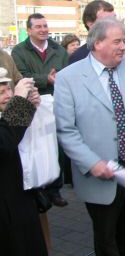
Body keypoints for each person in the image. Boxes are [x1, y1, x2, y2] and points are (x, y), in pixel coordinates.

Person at [54, 18, 125, 256]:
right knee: (109, 238)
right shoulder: (68, 78)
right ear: (97, 44)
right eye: (117, 41)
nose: (123, 46)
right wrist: (92, 163)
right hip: (101, 170)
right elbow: (66, 130)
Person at [11, 12, 69, 207]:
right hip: (33, 103)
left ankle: (55, 189)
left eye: (45, 26)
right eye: (38, 27)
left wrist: (58, 78)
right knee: (37, 145)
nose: (44, 30)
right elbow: (22, 76)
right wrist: (47, 79)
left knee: (57, 145)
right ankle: (37, 187)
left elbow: (66, 72)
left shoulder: (59, 49)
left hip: (57, 102)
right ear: (28, 30)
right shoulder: (19, 51)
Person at [0, 71, 47, 256]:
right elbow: (4, 142)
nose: (8, 96)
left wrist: (29, 106)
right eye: (2, 92)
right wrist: (20, 102)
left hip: (20, 202)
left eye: (9, 90)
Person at [69, 0, 115, 64]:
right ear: (90, 24)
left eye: (114, 19)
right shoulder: (78, 58)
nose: (114, 24)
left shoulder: (123, 52)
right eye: (107, 20)